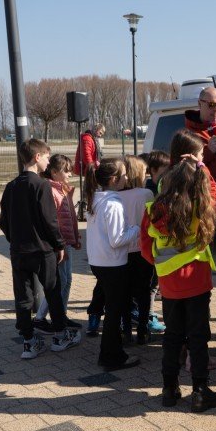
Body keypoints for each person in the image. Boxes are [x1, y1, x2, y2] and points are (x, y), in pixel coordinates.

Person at [141, 158, 216, 413]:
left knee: (172, 337)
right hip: (198, 282)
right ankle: (200, 391)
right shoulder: (203, 208)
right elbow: (214, 194)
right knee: (198, 338)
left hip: (169, 284)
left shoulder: (153, 210)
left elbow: (146, 249)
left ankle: (169, 388)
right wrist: (203, 167)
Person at [0, 139, 82, 359]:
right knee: (53, 291)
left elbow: (3, 221)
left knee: (23, 297)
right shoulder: (42, 185)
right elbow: (49, 221)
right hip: (43, 250)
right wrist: (59, 244)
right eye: (46, 156)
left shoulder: (12, 186)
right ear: (37, 158)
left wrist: (15, 239)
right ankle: (60, 335)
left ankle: (28, 341)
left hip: (19, 251)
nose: (48, 161)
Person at [85, 157, 141, 371]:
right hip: (113, 264)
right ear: (115, 179)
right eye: (125, 174)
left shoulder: (96, 198)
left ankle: (112, 352)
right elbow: (117, 239)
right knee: (114, 312)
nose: (128, 177)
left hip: (99, 262)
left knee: (113, 309)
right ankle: (111, 356)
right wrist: (137, 228)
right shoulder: (113, 203)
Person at [32, 154, 83, 332]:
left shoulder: (64, 189)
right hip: (59, 245)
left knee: (66, 280)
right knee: (60, 282)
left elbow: (71, 219)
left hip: (66, 242)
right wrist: (61, 245)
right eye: (66, 171)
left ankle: (60, 315)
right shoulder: (50, 191)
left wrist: (75, 238)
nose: (70, 174)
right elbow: (54, 222)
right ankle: (45, 317)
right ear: (54, 172)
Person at [120, 155, 159, 344]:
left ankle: (126, 329)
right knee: (143, 291)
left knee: (124, 292)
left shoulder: (116, 195)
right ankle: (143, 329)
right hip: (142, 249)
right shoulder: (146, 195)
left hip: (121, 251)